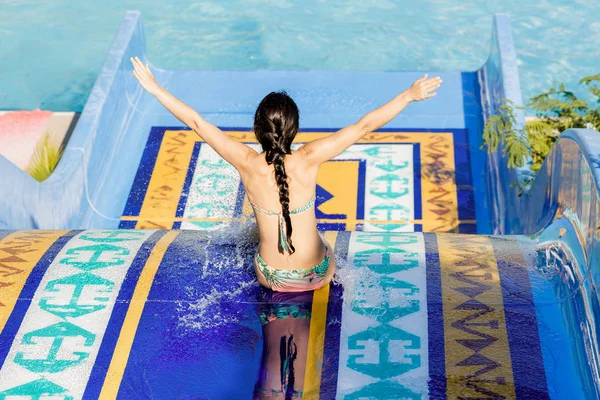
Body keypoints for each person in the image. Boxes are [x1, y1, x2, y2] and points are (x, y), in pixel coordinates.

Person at [130, 56, 442, 292]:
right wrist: (408, 95)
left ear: (257, 128)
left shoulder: (245, 161)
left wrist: (154, 88)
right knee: (323, 244)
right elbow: (364, 126)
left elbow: (196, 122)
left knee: (255, 232)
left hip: (270, 277)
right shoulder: (309, 157)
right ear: (294, 129)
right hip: (317, 274)